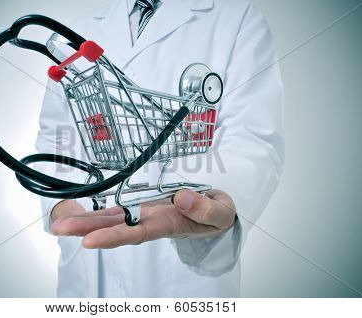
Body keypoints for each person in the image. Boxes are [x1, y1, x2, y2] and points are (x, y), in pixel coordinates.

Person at [36, 0, 284, 297]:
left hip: (181, 283)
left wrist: (206, 201)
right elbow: (57, 136)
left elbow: (251, 137)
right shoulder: (83, 27)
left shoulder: (238, 18)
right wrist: (62, 204)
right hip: (86, 278)